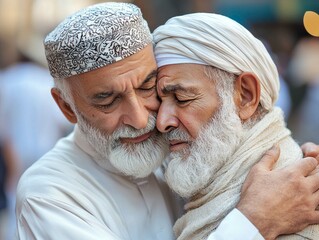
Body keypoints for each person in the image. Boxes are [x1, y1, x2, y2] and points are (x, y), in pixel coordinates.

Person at [15, 2, 319, 240]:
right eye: (108, 100)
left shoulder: (176, 149)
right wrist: (254, 222)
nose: (142, 118)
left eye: (148, 87)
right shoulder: (49, 194)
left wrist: (298, 162)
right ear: (67, 107)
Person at [153, 12, 319, 240]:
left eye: (182, 99)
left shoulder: (301, 211)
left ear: (246, 96)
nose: (162, 122)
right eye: (158, 103)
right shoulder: (204, 175)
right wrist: (253, 220)